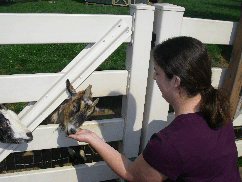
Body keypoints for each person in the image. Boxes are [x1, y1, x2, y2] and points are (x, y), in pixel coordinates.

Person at [69, 36, 241, 181]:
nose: (153, 77)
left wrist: (93, 139)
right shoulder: (218, 111)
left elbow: (132, 174)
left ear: (176, 81)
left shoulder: (170, 143)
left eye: (157, 72)